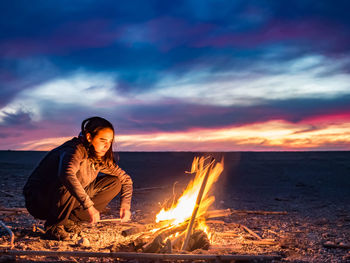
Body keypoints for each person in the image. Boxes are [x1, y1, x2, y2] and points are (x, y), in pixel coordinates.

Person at [23, 117, 133, 240]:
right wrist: (89, 206)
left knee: (115, 182)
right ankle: (54, 226)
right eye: (102, 140)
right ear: (89, 137)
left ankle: (70, 220)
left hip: (64, 199)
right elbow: (66, 175)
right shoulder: (74, 150)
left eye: (110, 141)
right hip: (40, 200)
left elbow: (126, 179)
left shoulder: (98, 156)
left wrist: (125, 206)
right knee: (71, 179)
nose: (107, 145)